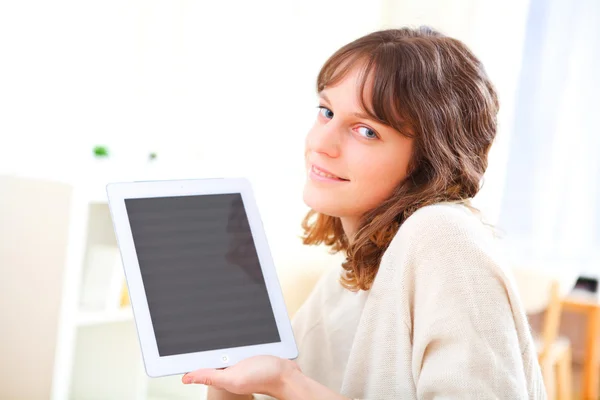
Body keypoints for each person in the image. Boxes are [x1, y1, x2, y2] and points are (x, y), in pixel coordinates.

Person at [181, 26, 546, 399]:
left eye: (366, 131)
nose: (320, 143)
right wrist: (227, 363)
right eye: (326, 111)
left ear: (427, 163)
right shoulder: (347, 280)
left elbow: (290, 385)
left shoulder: (444, 236)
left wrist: (287, 384)